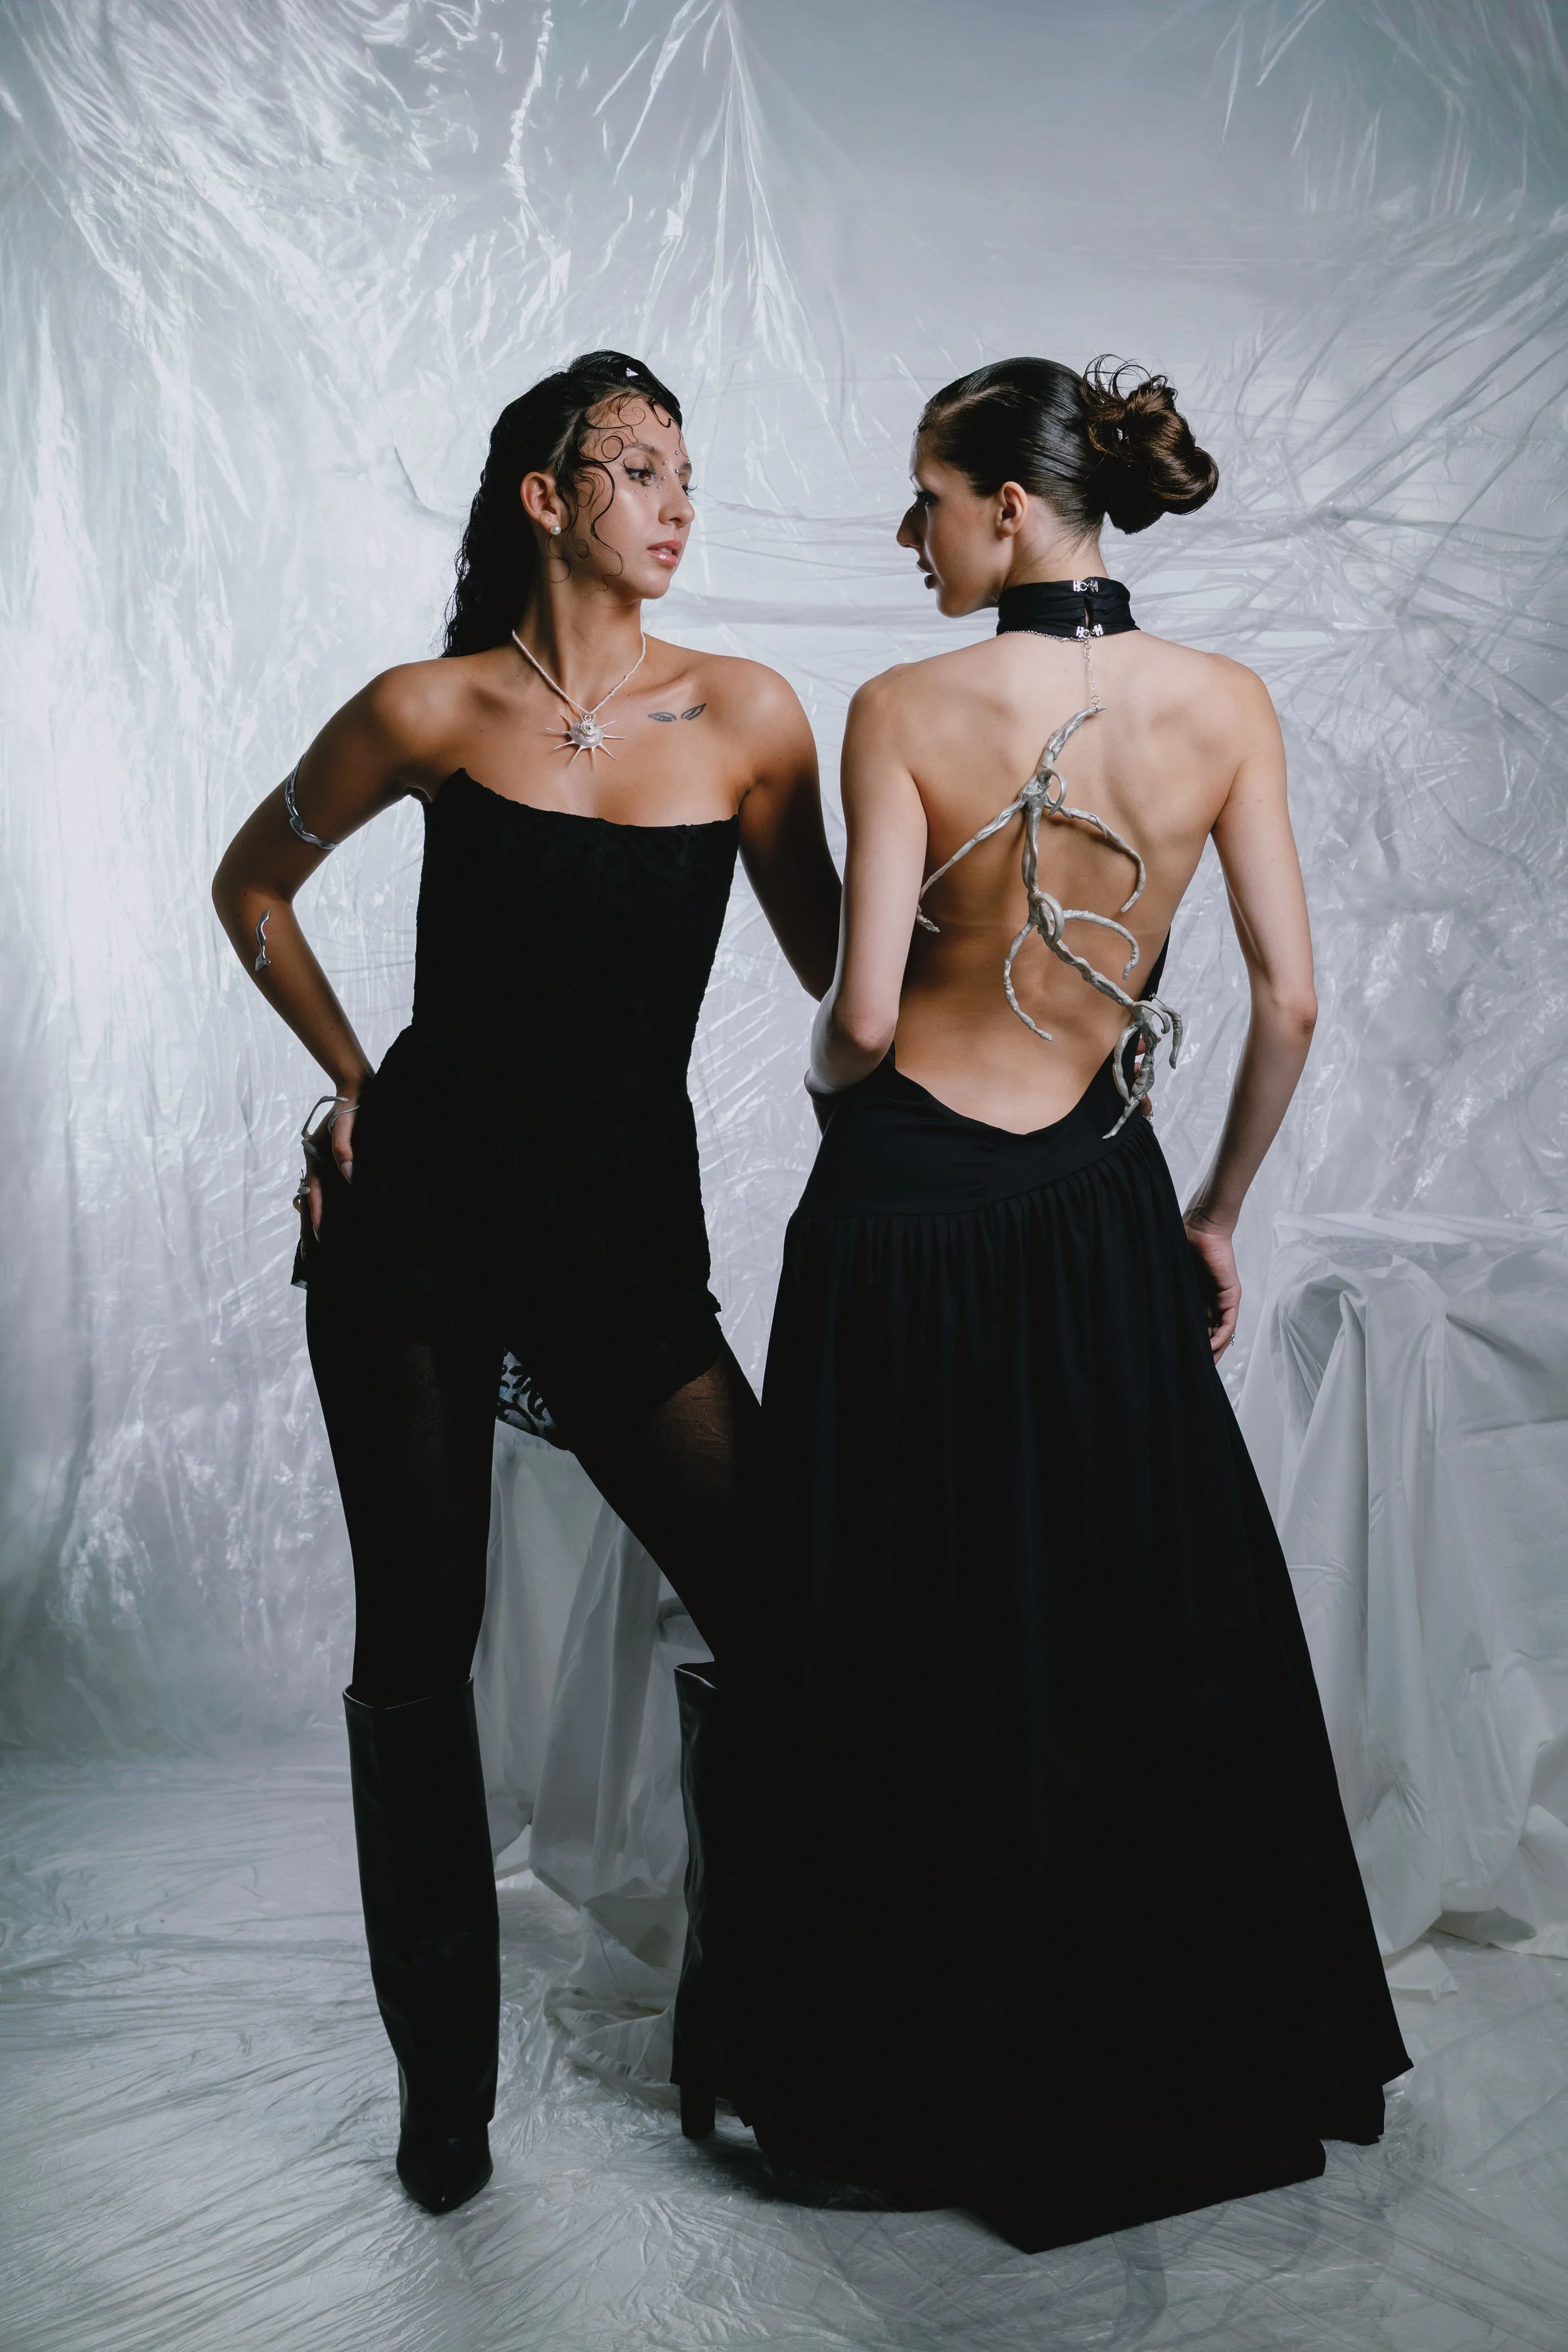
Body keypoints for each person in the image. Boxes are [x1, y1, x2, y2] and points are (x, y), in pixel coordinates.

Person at [699, 358, 1407, 2252]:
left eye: (924, 497)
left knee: (892, 1615)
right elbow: (1288, 1003)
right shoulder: (1222, 705)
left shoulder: (901, 704)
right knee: (1113, 1615)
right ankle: (1150, 2044)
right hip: (1102, 1200)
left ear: (1009, 507)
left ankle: (894, 2066)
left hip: (905, 1211)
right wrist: (1214, 1205)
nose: (906, 531)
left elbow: (857, 1018)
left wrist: (847, 1100)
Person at [211, 351, 840, 2215]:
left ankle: (748, 2041)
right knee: (418, 1640)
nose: (673, 499)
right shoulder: (427, 707)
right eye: (633, 467)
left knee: (785, 1604)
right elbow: (253, 885)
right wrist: (345, 1079)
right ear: (542, 497)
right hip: (418, 1224)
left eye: (685, 471)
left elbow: (843, 980)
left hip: (623, 1234)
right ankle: (445, 2100)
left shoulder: (745, 716)